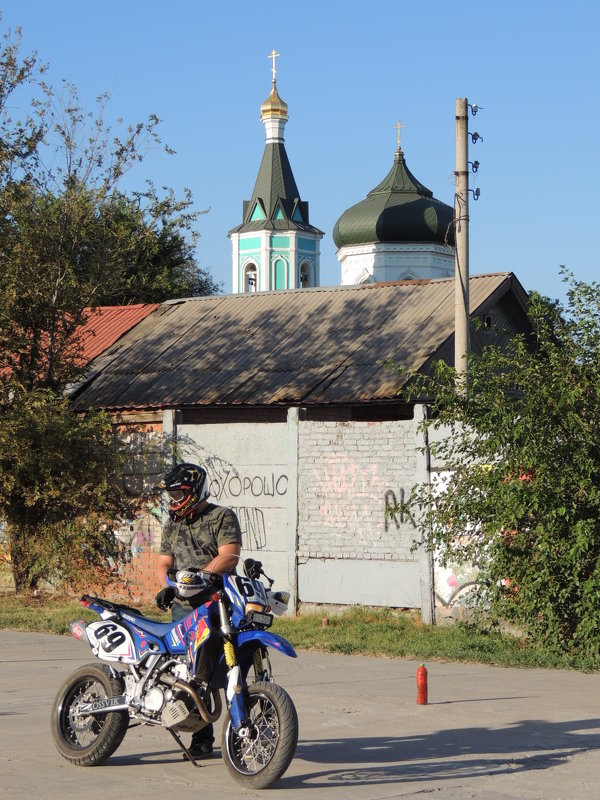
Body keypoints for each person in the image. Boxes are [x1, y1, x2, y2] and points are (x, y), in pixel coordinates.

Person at [154, 462, 242, 760]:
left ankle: (241, 730)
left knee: (229, 668)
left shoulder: (221, 516)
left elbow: (229, 556)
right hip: (183, 610)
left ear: (194, 492)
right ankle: (202, 739)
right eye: (171, 495)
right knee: (190, 675)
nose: (173, 501)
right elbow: (165, 562)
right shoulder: (172, 524)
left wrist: (200, 577)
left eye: (177, 494)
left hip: (217, 604)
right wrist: (168, 584)